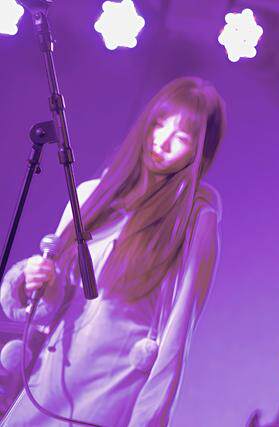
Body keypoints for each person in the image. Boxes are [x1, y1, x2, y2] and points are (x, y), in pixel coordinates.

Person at [0, 76, 226, 426]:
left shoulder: (194, 222)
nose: (162, 142)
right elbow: (49, 307)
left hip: (107, 398)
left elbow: (176, 338)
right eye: (159, 124)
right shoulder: (91, 195)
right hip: (45, 386)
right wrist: (36, 282)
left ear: (200, 153)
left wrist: (149, 420)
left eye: (181, 138)